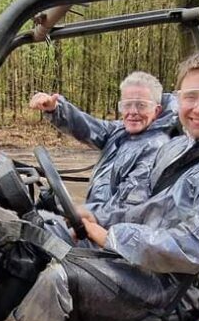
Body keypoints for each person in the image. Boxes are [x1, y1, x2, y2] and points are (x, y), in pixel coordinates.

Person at [0, 49, 199, 321]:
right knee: (39, 237)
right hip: (143, 261)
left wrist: (109, 236)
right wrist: (96, 216)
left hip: (169, 286)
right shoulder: (186, 146)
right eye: (191, 96)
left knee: (57, 280)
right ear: (179, 98)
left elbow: (196, 247)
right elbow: (151, 210)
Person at [29, 72, 177, 224]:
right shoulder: (121, 131)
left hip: (109, 235)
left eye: (141, 105)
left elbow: (127, 208)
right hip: (96, 220)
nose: (132, 112)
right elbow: (88, 127)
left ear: (157, 110)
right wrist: (55, 109)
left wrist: (84, 216)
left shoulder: (156, 148)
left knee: (28, 233)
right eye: (127, 104)